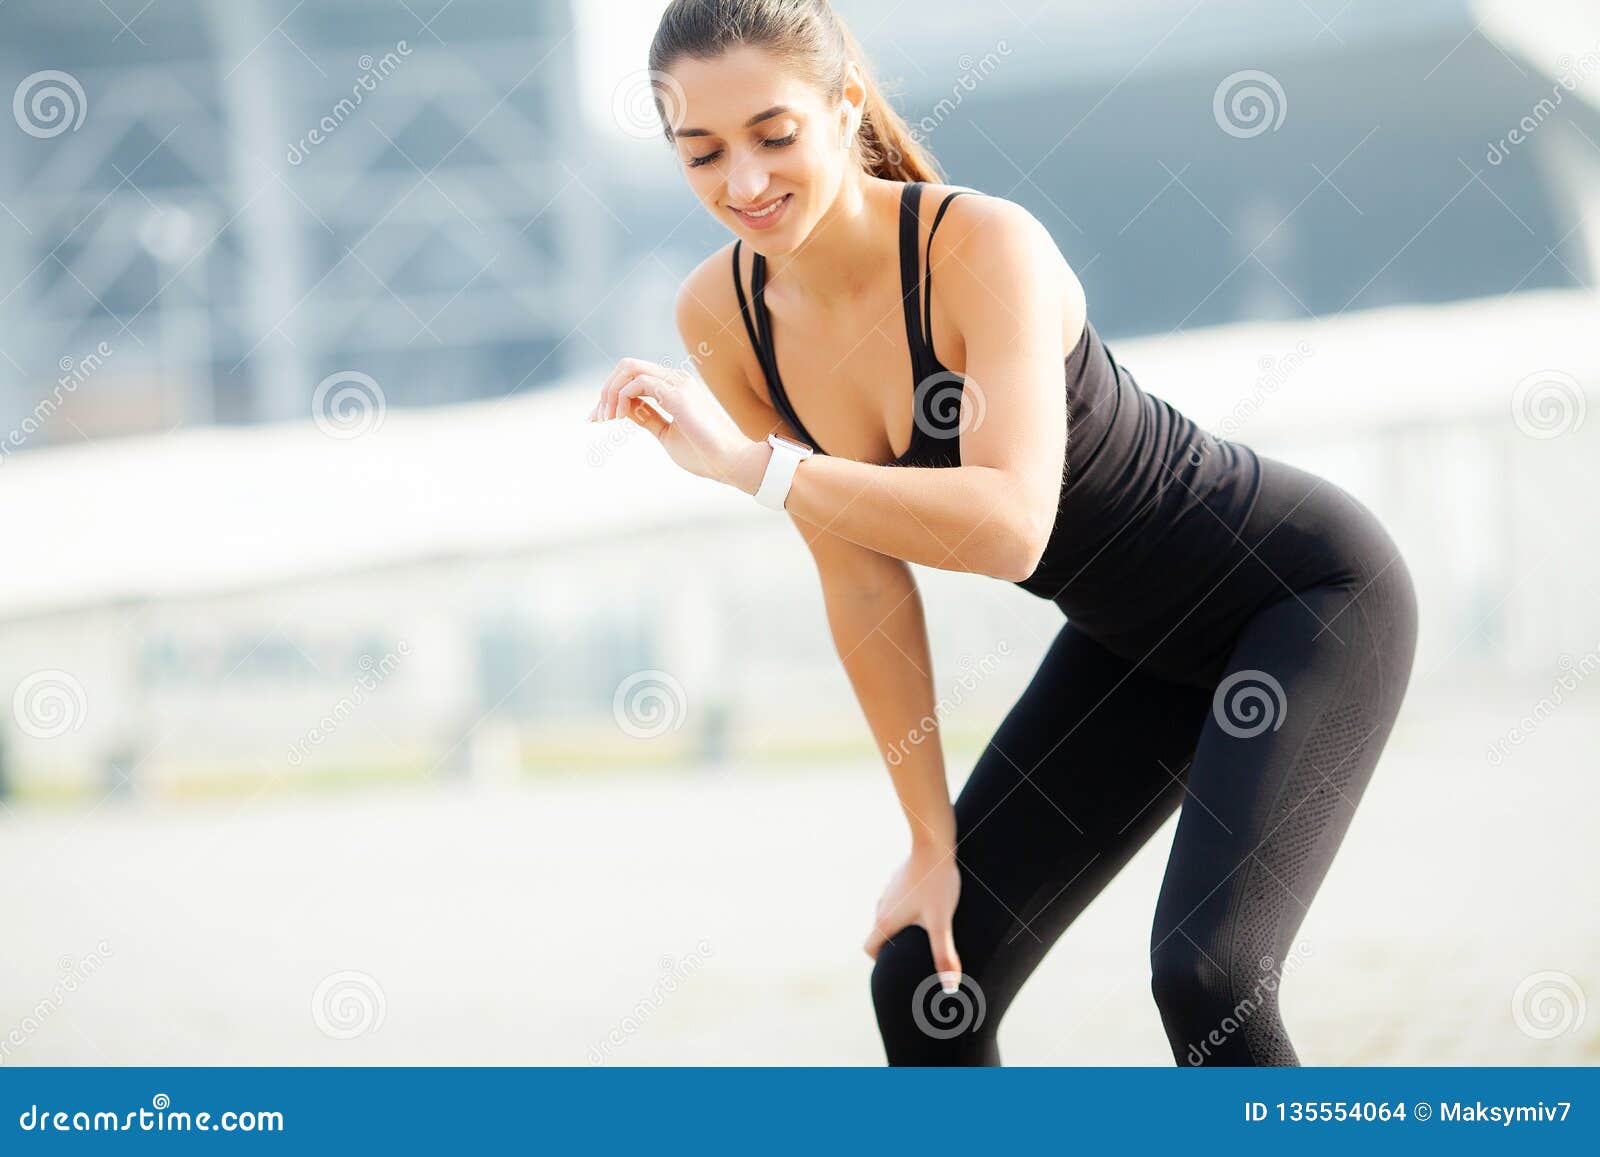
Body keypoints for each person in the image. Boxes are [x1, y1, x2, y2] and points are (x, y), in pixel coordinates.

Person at [588, 0, 1418, 1066]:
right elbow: (861, 583)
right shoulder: (724, 314)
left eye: (772, 135)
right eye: (700, 153)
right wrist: (929, 843)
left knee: (1206, 972)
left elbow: (1012, 524)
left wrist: (757, 469)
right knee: (929, 975)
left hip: (1300, 598)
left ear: (842, 110)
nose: (742, 183)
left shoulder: (978, 243)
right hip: (1134, 645)